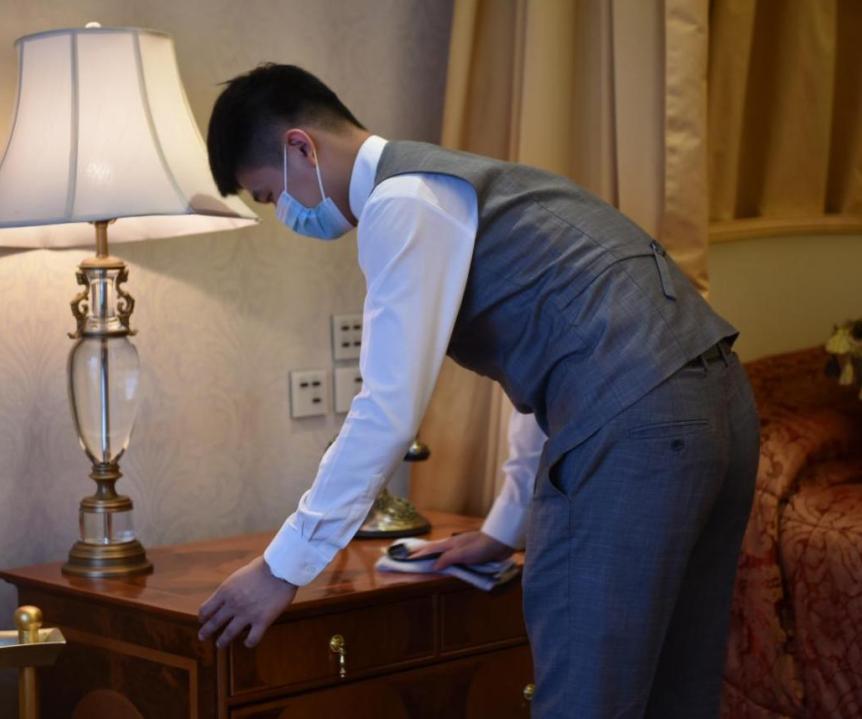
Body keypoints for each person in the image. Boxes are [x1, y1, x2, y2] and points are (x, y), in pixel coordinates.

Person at [197, 63, 760, 718]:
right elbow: (557, 366)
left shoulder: (402, 202)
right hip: (722, 406)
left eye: (269, 196)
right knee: (677, 690)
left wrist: (282, 568)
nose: (286, 215)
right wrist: (503, 527)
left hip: (638, 423)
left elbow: (387, 409)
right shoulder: (461, 181)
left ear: (301, 147)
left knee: (586, 698)